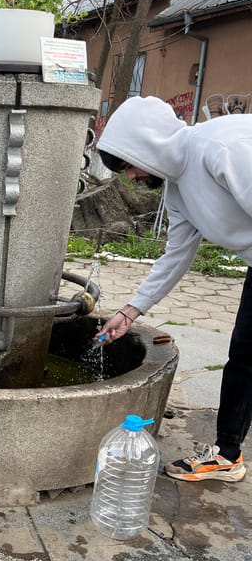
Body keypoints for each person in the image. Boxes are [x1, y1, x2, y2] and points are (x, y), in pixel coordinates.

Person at [96, 95, 252, 483]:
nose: (129, 177)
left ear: (148, 145)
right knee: (245, 355)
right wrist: (131, 310)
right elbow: (177, 254)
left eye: (127, 165)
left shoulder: (222, 149)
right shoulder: (178, 186)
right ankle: (227, 455)